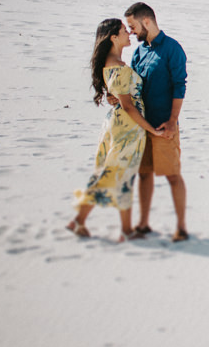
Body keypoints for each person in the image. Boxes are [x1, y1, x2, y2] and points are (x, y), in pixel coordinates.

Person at [68, 18, 165, 242]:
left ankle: (123, 229)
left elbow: (123, 98)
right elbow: (129, 106)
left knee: (120, 176)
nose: (128, 33)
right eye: (123, 30)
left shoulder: (115, 63)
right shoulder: (117, 67)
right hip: (126, 127)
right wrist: (152, 130)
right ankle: (83, 221)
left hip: (122, 124)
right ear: (113, 37)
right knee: (114, 175)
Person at [124, 2, 190, 241]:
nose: (130, 31)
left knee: (172, 175)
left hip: (164, 126)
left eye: (132, 26)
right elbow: (133, 86)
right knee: (144, 174)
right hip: (142, 126)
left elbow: (179, 85)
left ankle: (181, 227)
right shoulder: (139, 52)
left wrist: (173, 121)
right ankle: (143, 224)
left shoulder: (173, 48)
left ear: (147, 21)